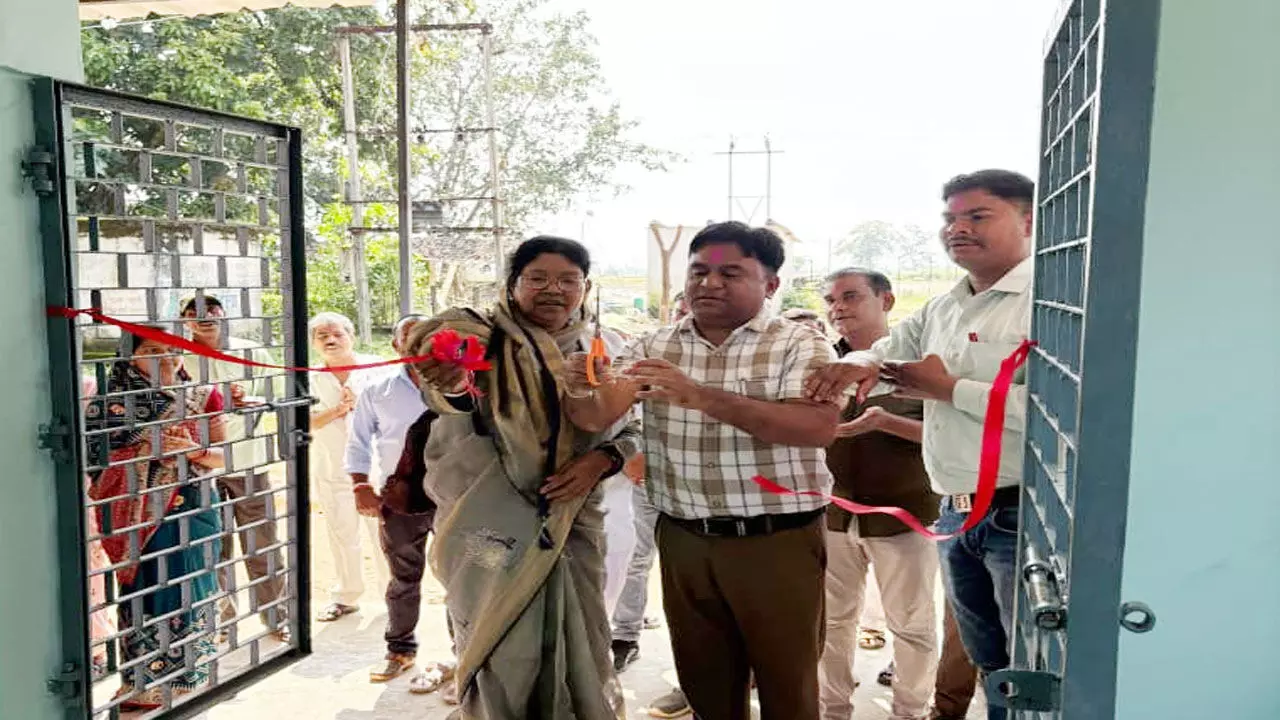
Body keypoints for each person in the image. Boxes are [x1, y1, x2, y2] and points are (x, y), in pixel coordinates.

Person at [566, 221, 841, 720]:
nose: (709, 283)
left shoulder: (798, 344)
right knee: (705, 683)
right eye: (698, 271)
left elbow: (817, 427)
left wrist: (700, 396)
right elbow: (595, 416)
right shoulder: (652, 346)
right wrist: (581, 385)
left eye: (730, 273)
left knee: (788, 684)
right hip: (684, 539)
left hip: (777, 542)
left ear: (771, 284)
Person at [805, 170, 1035, 720]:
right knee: (990, 659)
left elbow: (1057, 412)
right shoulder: (943, 307)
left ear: (1028, 221)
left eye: (977, 216)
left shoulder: (1044, 302)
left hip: (1015, 513)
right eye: (949, 218)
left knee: (1027, 667)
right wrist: (859, 363)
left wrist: (946, 389)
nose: (957, 228)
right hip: (956, 511)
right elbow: (888, 348)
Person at [409, 236, 642, 719]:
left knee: (580, 638)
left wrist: (602, 460)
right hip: (486, 524)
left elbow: (635, 429)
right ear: (512, 285)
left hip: (573, 521)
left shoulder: (606, 348)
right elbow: (449, 384)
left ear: (586, 287)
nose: (553, 290)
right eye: (537, 278)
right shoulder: (483, 336)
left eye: (568, 280)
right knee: (498, 637)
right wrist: (451, 374)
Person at [817, 268, 940, 720]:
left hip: (905, 515)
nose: (838, 308)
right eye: (831, 300)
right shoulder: (820, 364)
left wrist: (887, 422)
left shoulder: (920, 365)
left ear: (886, 300)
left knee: (911, 625)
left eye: (850, 297)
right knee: (832, 622)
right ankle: (832, 709)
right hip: (833, 517)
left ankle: (910, 711)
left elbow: (949, 437)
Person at [84, 329, 226, 711]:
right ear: (130, 356)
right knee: (144, 591)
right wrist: (148, 449)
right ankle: (140, 681)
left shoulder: (202, 396)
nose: (166, 357)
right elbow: (94, 462)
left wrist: (194, 451)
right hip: (136, 518)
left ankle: (187, 677)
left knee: (188, 585)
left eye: (173, 350)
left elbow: (225, 456)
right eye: (152, 349)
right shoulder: (110, 404)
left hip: (192, 507)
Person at [344, 314, 455, 693]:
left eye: (429, 336)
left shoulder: (462, 385)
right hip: (401, 498)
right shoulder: (378, 391)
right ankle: (400, 649)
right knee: (404, 577)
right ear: (396, 346)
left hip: (455, 497)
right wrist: (360, 484)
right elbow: (359, 442)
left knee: (461, 577)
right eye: (410, 337)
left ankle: (465, 654)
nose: (420, 343)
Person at [180, 295, 290, 642]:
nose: (204, 317)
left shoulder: (251, 352)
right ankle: (221, 623)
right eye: (194, 312)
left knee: (263, 544)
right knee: (214, 548)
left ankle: (277, 617)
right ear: (184, 320)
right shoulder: (177, 355)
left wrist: (248, 401)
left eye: (212, 310)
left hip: (248, 461)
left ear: (223, 314)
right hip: (201, 466)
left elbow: (277, 395)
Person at [308, 312, 389, 622]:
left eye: (337, 334)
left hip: (378, 470)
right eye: (322, 336)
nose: (330, 340)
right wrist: (340, 409)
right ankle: (346, 596)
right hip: (333, 469)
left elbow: (396, 413)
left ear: (351, 336)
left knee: (385, 536)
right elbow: (304, 421)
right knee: (342, 536)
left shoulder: (378, 369)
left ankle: (393, 599)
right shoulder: (309, 377)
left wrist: (362, 403)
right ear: (314, 343)